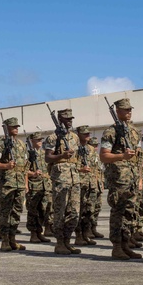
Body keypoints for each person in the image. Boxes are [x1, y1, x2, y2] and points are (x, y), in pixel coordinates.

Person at [100, 98, 143, 261]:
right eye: (125, 110)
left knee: (130, 211)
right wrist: (121, 156)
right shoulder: (110, 132)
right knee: (118, 211)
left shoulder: (135, 131)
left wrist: (138, 176)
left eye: (130, 109)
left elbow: (138, 157)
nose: (129, 112)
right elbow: (104, 156)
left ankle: (126, 244)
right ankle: (117, 247)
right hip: (118, 178)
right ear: (117, 112)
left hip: (131, 177)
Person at [44, 108, 82, 256]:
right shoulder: (52, 138)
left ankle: (67, 241)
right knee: (60, 211)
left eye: (71, 119)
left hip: (74, 177)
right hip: (61, 178)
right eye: (67, 119)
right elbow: (48, 158)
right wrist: (62, 155)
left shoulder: (75, 137)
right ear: (60, 120)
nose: (70, 121)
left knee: (74, 213)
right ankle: (60, 243)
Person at [0, 118, 29, 252]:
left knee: (17, 212)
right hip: (6, 183)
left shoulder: (21, 144)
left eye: (16, 126)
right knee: (5, 212)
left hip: (19, 184)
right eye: (13, 126)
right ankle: (5, 240)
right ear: (6, 127)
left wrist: (25, 183)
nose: (15, 129)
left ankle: (12, 239)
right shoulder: (0, 144)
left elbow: (24, 166)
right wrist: (6, 165)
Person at [25, 131, 52, 244]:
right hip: (34, 186)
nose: (40, 142)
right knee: (33, 211)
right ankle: (33, 234)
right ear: (32, 141)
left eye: (41, 140)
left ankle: (40, 232)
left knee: (44, 210)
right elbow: (24, 171)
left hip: (45, 186)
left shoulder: (44, 153)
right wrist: (32, 175)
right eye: (37, 140)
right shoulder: (28, 155)